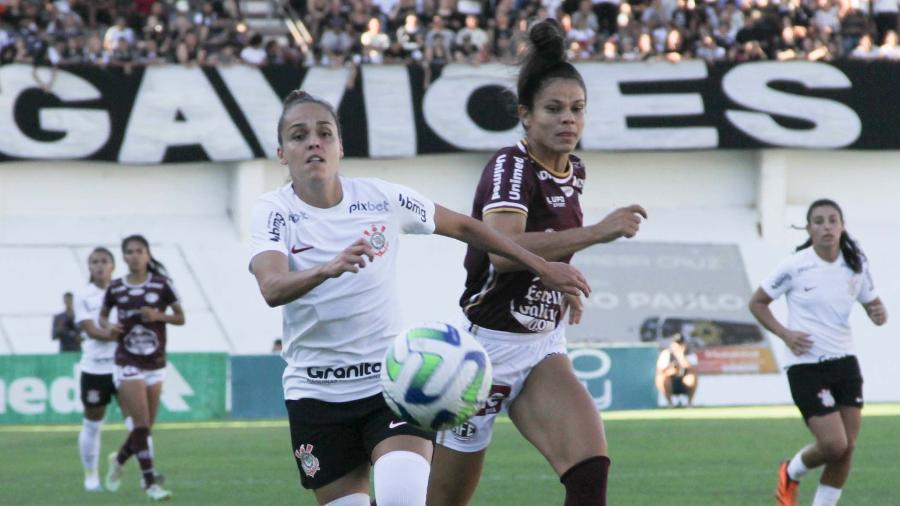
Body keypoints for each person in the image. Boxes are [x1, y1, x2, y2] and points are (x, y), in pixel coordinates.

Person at [249, 90, 591, 506]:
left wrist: (541, 265)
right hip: (315, 396)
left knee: (402, 499)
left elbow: (465, 227)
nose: (314, 142)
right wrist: (327, 268)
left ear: (341, 146)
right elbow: (271, 288)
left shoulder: (380, 198)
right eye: (299, 135)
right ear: (282, 152)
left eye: (325, 133)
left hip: (393, 385)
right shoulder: (272, 211)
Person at [427, 18, 647, 506]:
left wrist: (557, 285)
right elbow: (504, 252)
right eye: (554, 109)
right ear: (525, 115)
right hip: (487, 353)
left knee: (589, 474)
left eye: (577, 109)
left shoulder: (574, 169)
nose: (568, 119)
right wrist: (597, 233)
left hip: (542, 345)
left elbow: (546, 244)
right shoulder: (512, 164)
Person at [749, 199, 887, 506]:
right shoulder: (796, 265)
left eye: (832, 220)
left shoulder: (855, 263)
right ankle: (791, 470)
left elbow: (874, 305)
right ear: (809, 229)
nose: (827, 226)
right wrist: (784, 334)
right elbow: (757, 302)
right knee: (833, 443)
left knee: (847, 447)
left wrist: (879, 314)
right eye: (819, 221)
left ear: (842, 225)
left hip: (845, 363)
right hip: (806, 365)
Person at [100, 235, 185, 501]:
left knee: (145, 428)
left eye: (139, 251)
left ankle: (119, 460)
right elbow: (102, 318)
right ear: (123, 257)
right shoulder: (115, 288)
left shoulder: (162, 285)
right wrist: (109, 327)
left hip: (155, 362)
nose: (135, 256)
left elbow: (181, 317)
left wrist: (158, 316)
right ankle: (150, 483)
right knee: (140, 423)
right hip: (127, 360)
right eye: (129, 252)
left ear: (148, 255)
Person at [74, 247, 122, 491]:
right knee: (93, 423)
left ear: (113, 265)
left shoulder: (123, 292)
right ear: (89, 267)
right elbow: (91, 331)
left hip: (125, 366)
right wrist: (119, 334)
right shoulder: (83, 296)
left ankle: (123, 461)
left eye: (104, 261)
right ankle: (90, 476)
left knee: (139, 423)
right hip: (95, 368)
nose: (99, 265)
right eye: (94, 262)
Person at [655, 333, 698, 407]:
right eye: (677, 343)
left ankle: (689, 403)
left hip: (684, 382)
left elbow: (692, 369)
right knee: (661, 378)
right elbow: (660, 370)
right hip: (670, 382)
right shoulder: (666, 353)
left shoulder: (689, 354)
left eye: (681, 343)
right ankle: (670, 403)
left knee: (692, 377)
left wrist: (680, 355)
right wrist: (671, 371)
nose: (679, 345)